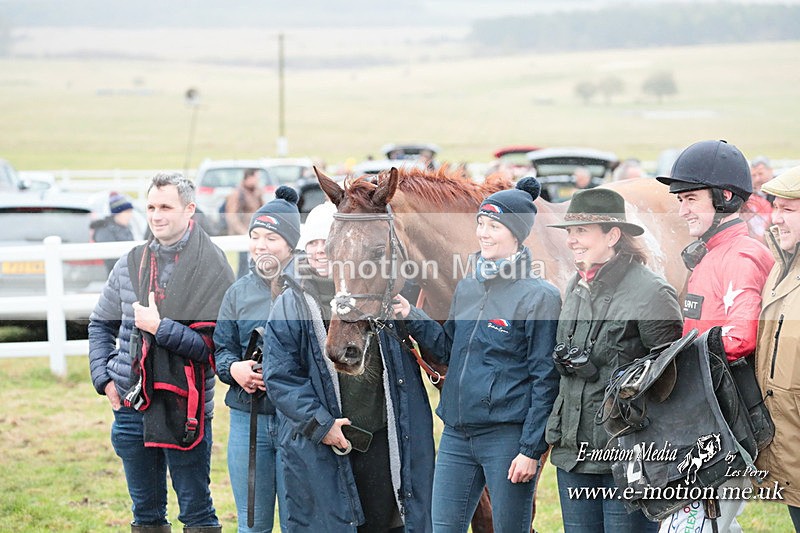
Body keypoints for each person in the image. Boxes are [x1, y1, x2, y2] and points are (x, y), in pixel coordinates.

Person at [392, 177, 561, 532]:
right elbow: (446, 349)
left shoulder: (539, 297)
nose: (483, 233)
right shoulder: (468, 286)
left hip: (506, 437)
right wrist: (411, 314)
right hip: (456, 435)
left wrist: (530, 449)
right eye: (481, 224)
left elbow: (546, 379)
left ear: (516, 234)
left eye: (494, 226)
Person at [263, 202, 435, 533]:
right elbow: (281, 377)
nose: (318, 251)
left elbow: (431, 349)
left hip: (384, 441)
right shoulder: (293, 303)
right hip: (324, 445)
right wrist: (321, 425)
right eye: (311, 244)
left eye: (325, 243)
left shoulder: (376, 293)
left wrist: (412, 314)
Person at [88, 172, 234, 533]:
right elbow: (99, 325)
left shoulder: (214, 268)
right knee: (146, 516)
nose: (156, 215)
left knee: (197, 513)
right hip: (131, 404)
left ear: (189, 210)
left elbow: (213, 349)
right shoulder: (131, 263)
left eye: (166, 206)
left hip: (186, 408)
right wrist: (104, 379)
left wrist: (159, 328)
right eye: (151, 207)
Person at [545, 188, 683, 533]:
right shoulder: (577, 285)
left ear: (613, 235)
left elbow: (671, 379)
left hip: (627, 455)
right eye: (570, 232)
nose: (573, 241)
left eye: (582, 231)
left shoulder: (651, 291)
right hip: (575, 452)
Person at [656, 139, 774, 533]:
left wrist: (672, 362)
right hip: (702, 415)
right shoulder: (709, 253)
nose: (682, 209)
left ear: (725, 196)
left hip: (726, 421)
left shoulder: (741, 255)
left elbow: (740, 336)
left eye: (690, 198)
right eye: (680, 200)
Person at [213, 186, 302, 533]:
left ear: (291, 245)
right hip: (248, 422)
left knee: (300, 521)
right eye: (255, 236)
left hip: (297, 423)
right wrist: (234, 369)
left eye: (272, 237)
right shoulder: (237, 293)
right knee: (252, 523)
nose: (261, 245)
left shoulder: (309, 290)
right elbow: (221, 350)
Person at [751, 165, 800, 531]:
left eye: (789, 209)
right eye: (775, 207)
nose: (776, 218)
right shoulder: (781, 267)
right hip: (788, 446)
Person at [225, 168, 266, 278]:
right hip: (243, 235)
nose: (258, 181)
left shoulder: (256, 192)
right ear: (249, 177)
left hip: (255, 233)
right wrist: (244, 232)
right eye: (256, 178)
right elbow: (231, 215)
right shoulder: (237, 193)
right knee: (243, 266)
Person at [92, 191, 136, 273]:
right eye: (126, 212)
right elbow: (111, 260)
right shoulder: (104, 230)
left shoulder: (125, 228)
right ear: (117, 213)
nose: (130, 215)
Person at [741, 155, 775, 243]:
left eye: (760, 174)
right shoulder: (749, 195)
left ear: (771, 171)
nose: (757, 179)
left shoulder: (781, 191)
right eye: (753, 175)